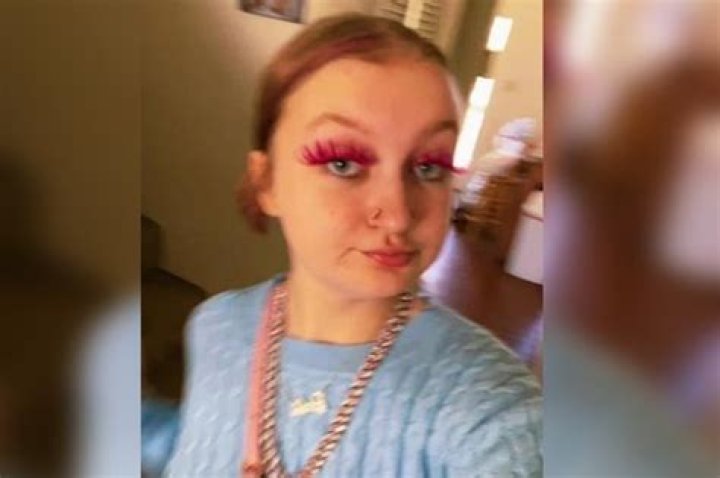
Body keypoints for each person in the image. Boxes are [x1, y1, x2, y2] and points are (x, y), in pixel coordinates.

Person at [164, 14, 541, 477]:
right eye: (343, 163)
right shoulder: (214, 326)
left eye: (429, 167)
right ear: (267, 182)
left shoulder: (489, 409)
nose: (398, 214)